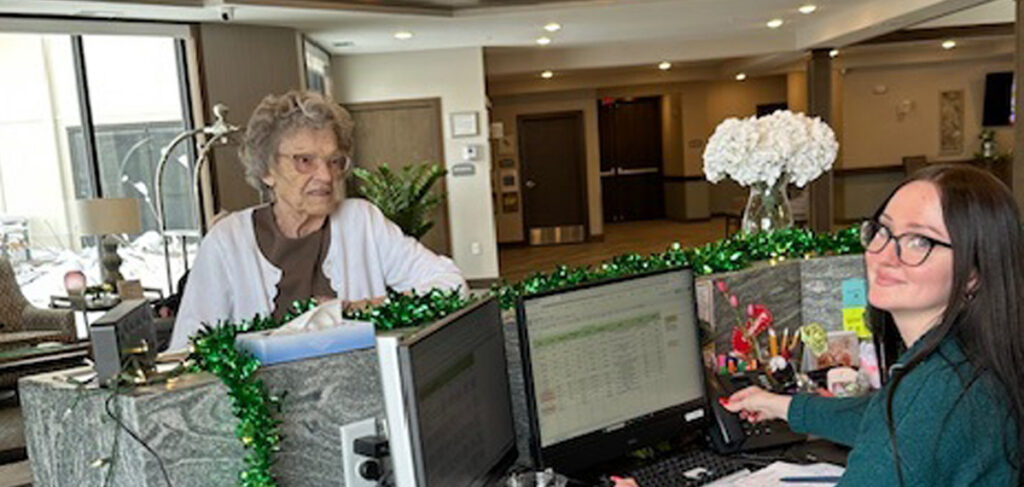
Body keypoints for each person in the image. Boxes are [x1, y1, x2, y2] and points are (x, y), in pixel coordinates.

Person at [617, 164, 1023, 486]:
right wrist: (783, 406)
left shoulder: (933, 394)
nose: (884, 254)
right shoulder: (970, 361)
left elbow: (905, 421)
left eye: (920, 240)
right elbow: (882, 416)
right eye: (882, 230)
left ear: (974, 272)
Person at [168, 91, 466, 351]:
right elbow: (190, 348)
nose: (326, 176)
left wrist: (355, 309)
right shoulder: (227, 242)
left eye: (334, 161)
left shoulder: (362, 221)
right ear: (266, 169)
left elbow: (452, 286)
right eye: (305, 160)